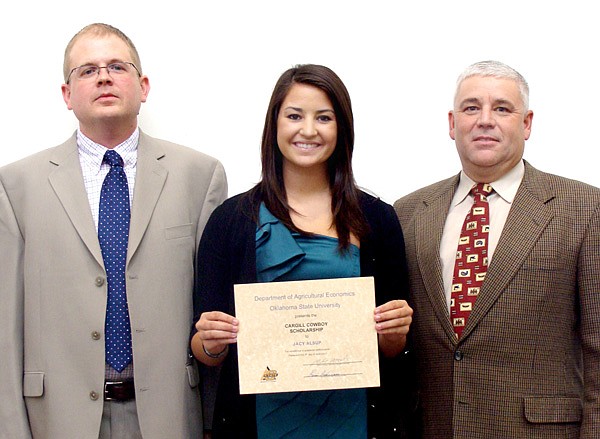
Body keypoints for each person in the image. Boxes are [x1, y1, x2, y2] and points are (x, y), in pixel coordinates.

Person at [0, 23, 227, 438]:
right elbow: (6, 326)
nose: (103, 76)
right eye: (87, 70)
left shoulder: (199, 176)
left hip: (172, 416)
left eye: (117, 67)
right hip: (55, 418)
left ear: (143, 87)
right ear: (67, 95)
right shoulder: (16, 186)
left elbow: (210, 310)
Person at [190, 64, 415, 438]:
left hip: (355, 420)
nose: (308, 130)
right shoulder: (230, 220)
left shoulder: (379, 219)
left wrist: (394, 332)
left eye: (323, 117)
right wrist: (211, 341)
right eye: (295, 115)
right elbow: (203, 350)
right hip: (259, 422)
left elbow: (394, 350)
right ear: (274, 125)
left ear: (341, 128)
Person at [394, 60, 600, 438]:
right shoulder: (407, 212)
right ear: (453, 124)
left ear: (527, 123)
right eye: (471, 107)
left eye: (502, 108)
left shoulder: (585, 209)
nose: (485, 119)